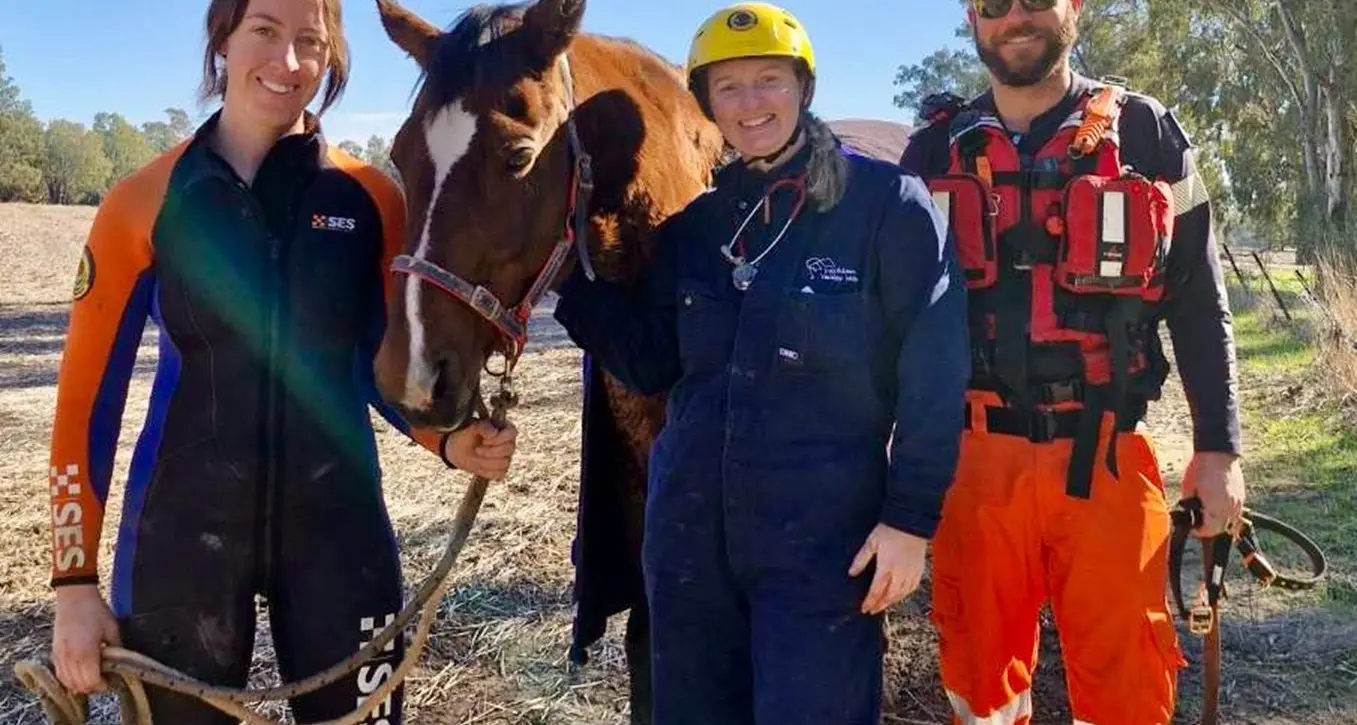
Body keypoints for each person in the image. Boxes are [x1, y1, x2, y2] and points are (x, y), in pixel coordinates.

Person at [45, 1, 519, 723]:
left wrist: (446, 439)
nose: (288, 61)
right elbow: (86, 401)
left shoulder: (373, 199)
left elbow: (373, 360)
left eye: (310, 42)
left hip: (340, 535)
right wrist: (74, 584)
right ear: (224, 42)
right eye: (265, 31)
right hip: (181, 539)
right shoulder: (142, 202)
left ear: (331, 61)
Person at [551, 3, 970, 723]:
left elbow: (934, 372)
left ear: (802, 89)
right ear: (708, 104)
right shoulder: (695, 230)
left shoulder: (885, 208)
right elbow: (649, 362)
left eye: (767, 80)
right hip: (687, 547)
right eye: (729, 87)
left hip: (821, 549)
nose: (750, 104)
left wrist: (909, 519)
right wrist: (566, 277)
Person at [897, 1, 1247, 723]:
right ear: (971, 16)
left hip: (1108, 458)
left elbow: (1198, 305)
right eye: (994, 5)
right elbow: (888, 321)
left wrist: (1219, 449)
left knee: (1127, 684)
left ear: (1074, 8)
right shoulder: (930, 153)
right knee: (979, 684)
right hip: (973, 463)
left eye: (1035, 0)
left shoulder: (1146, 132)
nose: (1014, 18)